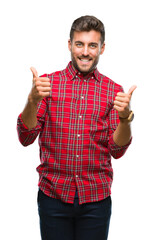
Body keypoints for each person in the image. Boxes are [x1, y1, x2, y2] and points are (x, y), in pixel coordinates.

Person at [17, 15, 136, 240]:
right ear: (70, 45)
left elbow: (117, 150)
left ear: (102, 48)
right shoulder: (47, 85)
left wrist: (125, 119)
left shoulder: (113, 91)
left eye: (92, 45)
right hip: (53, 197)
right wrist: (32, 101)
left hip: (96, 200)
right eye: (79, 44)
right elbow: (25, 137)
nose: (85, 52)